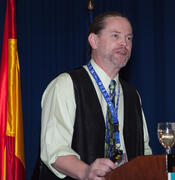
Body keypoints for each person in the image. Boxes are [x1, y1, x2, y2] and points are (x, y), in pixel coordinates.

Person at [39, 11, 152, 180]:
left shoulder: (132, 95)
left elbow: (143, 150)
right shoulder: (66, 84)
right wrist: (86, 172)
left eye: (129, 38)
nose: (124, 43)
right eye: (116, 36)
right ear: (94, 41)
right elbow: (54, 150)